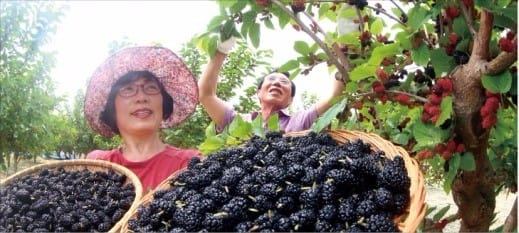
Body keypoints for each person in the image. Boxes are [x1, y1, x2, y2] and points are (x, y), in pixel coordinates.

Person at [84, 46, 200, 193]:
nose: (141, 97)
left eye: (151, 87)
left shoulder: (189, 164)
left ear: (164, 103)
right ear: (111, 107)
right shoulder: (98, 164)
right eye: (128, 89)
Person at [198, 37, 346, 133]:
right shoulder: (237, 122)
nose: (276, 83)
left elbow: (334, 96)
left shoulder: (301, 120)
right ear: (258, 92)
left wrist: (341, 54)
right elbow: (206, 95)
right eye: (271, 79)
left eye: (284, 82)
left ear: (291, 100)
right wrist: (221, 50)